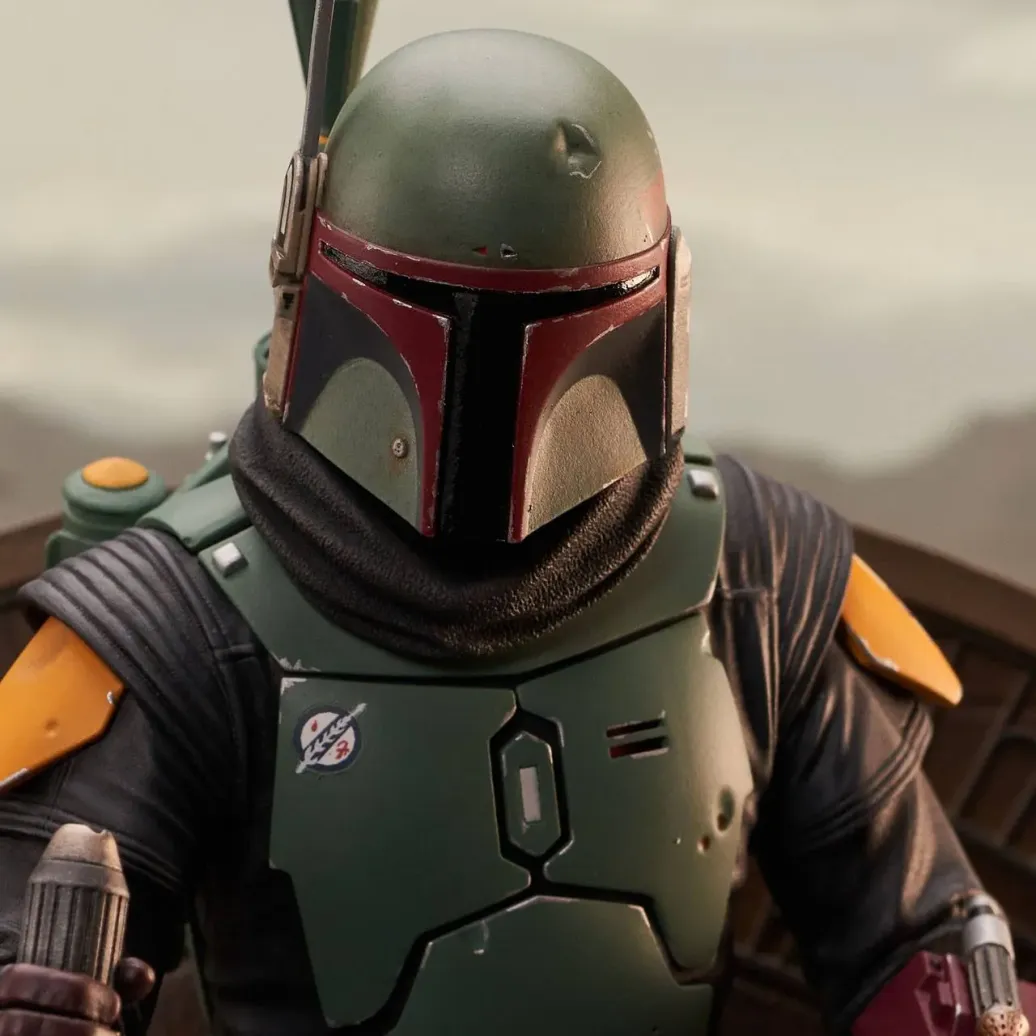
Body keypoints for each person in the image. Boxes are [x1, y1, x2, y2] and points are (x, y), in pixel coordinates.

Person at [0, 26, 1030, 1036]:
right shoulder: (177, 621)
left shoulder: (757, 574)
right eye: (444, 310)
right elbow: (36, 975)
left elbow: (923, 957)